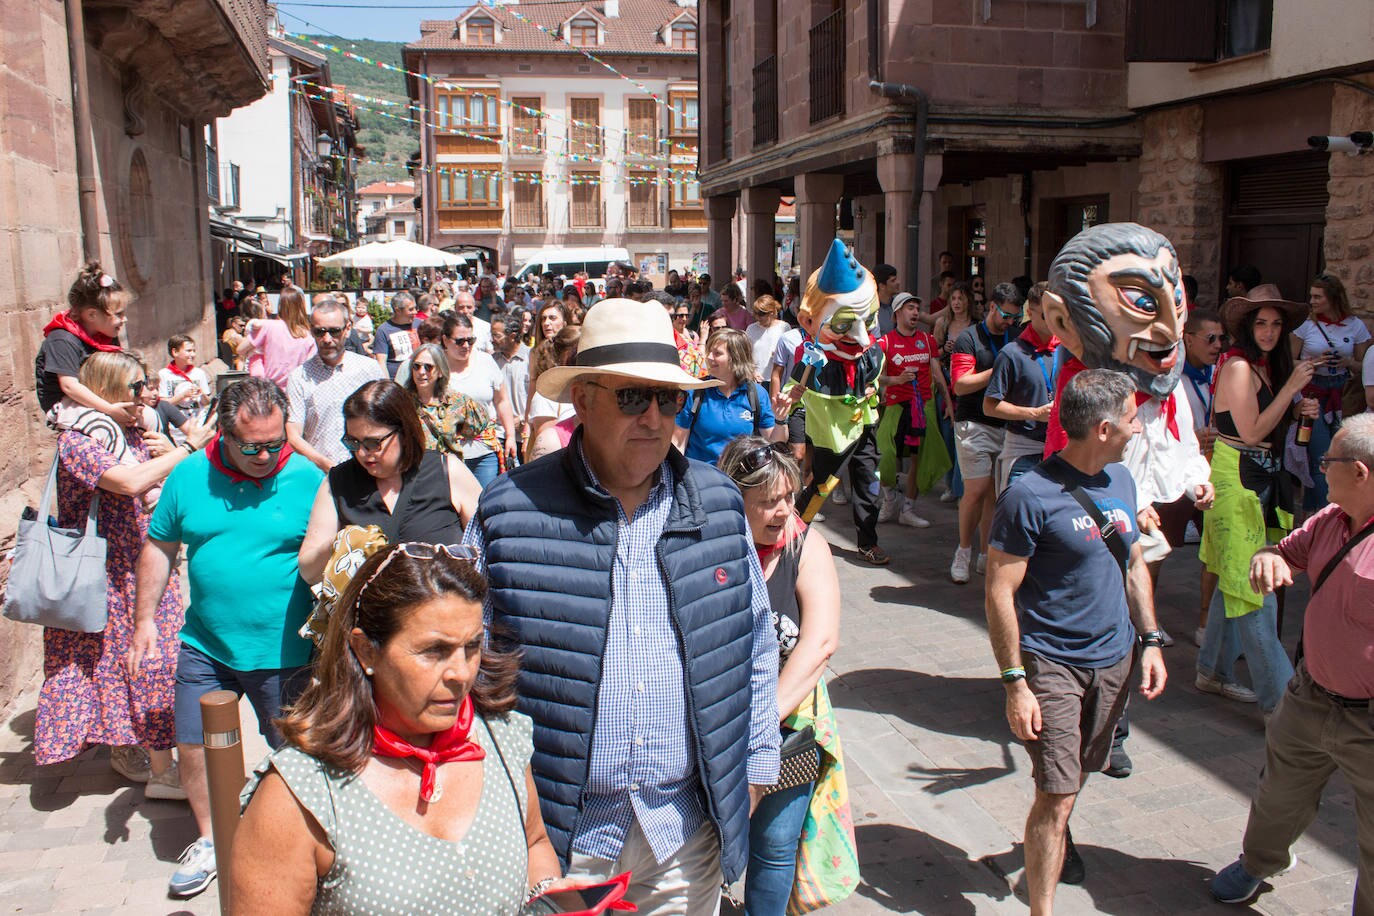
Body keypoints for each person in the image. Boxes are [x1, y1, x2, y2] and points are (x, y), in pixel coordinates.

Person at [464, 297, 781, 913]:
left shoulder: (717, 504)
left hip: (686, 835)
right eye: (634, 397)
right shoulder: (508, 511)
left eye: (670, 399)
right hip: (559, 839)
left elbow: (755, 643)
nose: (655, 418)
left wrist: (755, 769)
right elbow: (465, 667)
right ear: (582, 399)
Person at [234, 544, 564, 913]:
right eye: (434, 651)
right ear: (365, 651)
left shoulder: (502, 740)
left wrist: (551, 900)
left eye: (471, 647)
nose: (461, 673)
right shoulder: (301, 794)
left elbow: (535, 843)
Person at [130, 378, 323, 897]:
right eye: (252, 446)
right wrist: (144, 620)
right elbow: (159, 546)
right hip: (205, 644)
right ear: (224, 433)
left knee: (293, 750)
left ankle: (301, 841)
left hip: (284, 651)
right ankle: (215, 838)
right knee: (194, 744)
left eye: (276, 443)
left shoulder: (307, 478)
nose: (266, 456)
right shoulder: (189, 475)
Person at [985, 369, 1167, 916]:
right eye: (1132, 419)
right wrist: (1016, 683)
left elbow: (1133, 563)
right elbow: (998, 593)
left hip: (1114, 662)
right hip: (1052, 664)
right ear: (1106, 428)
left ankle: (1058, 839)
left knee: (1077, 779)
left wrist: (1152, 641)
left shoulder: (1122, 482)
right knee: (1057, 795)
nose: (1139, 429)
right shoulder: (1028, 495)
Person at [1209, 413, 1374, 911]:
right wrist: (1269, 556)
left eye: (1330, 462)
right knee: (1278, 796)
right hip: (1310, 698)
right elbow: (1283, 550)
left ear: (1361, 472)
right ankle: (1259, 862)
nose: (1321, 469)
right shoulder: (1330, 520)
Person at [36, 352, 212, 797]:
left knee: (147, 665)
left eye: (148, 384)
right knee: (139, 665)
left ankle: (149, 758)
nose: (148, 393)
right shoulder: (79, 441)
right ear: (111, 388)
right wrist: (186, 451)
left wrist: (174, 453)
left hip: (147, 565)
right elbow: (128, 483)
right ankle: (158, 767)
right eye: (137, 387)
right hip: (106, 576)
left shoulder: (133, 431)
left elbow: (164, 485)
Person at [718, 437, 855, 916]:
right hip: (712, 731)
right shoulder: (707, 548)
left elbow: (820, 644)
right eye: (767, 502)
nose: (783, 512)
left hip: (788, 728)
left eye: (789, 498)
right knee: (702, 851)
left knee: (775, 851)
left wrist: (763, 722)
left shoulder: (807, 547)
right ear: (733, 499)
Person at [1197, 285, 1317, 714]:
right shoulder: (1239, 367)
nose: (1268, 331)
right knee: (1254, 588)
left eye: (1276, 323)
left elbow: (1264, 426)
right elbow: (1249, 432)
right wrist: (1291, 392)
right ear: (1248, 326)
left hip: (1262, 480)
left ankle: (1212, 670)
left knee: (1237, 579)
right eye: (1260, 322)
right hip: (1236, 482)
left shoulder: (1266, 367)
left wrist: (1296, 409)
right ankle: (1282, 708)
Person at [298, 379, 482, 585]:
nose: (361, 453)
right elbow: (308, 571)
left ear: (404, 432)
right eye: (353, 442)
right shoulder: (338, 482)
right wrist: (343, 542)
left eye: (373, 443)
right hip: (369, 616)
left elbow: (485, 549)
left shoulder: (447, 471)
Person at [780, 240, 889, 566]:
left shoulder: (872, 352)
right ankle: (794, 535)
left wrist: (873, 391)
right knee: (820, 489)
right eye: (843, 325)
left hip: (864, 428)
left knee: (869, 485)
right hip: (832, 435)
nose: (859, 336)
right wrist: (790, 398)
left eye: (867, 321)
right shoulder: (814, 358)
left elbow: (874, 377)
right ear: (808, 321)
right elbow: (795, 385)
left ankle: (867, 542)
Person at [948, 282, 1021, 584]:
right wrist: (999, 369)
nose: (1009, 322)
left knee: (995, 495)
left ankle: (984, 554)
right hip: (973, 423)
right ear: (992, 307)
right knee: (976, 491)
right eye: (1006, 315)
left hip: (1005, 424)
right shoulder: (969, 338)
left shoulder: (1014, 336)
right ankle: (963, 551)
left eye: (1015, 318)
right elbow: (960, 384)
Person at [1291, 272, 1371, 512]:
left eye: (1318, 297)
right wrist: (1314, 362)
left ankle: (1341, 510)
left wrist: (1346, 363)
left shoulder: (1355, 325)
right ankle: (1317, 514)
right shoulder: (1306, 326)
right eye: (1311, 296)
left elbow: (1363, 364)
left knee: (1342, 457)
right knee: (1320, 455)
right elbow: (1288, 361)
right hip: (1312, 393)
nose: (1312, 301)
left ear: (1333, 298)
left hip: (1342, 393)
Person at [286, 296, 388, 472]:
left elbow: (386, 420)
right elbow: (293, 436)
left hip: (366, 471)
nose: (327, 339)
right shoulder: (299, 377)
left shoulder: (369, 369)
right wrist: (327, 466)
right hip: (319, 475)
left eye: (334, 331)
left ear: (348, 329)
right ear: (312, 331)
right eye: (320, 332)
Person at [876, 292, 951, 528]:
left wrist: (948, 402)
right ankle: (889, 496)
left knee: (920, 458)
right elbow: (876, 379)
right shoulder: (885, 342)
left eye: (917, 308)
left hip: (923, 406)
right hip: (895, 407)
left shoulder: (927, 341)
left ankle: (908, 509)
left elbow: (937, 374)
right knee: (884, 455)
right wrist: (897, 381)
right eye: (910, 308)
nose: (916, 313)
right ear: (898, 312)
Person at [35, 261, 135, 422]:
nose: (124, 319)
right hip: (66, 406)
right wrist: (109, 409)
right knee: (104, 426)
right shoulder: (62, 339)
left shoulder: (107, 335)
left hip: (96, 396)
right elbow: (69, 386)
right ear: (91, 315)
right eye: (118, 314)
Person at [1180, 308, 1227, 644]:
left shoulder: (1221, 373)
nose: (1217, 345)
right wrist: (1192, 438)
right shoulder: (1172, 378)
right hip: (1181, 468)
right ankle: (1144, 619)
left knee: (1213, 549)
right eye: (1210, 339)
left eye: (1221, 339)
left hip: (1215, 468)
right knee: (1160, 548)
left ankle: (1205, 621)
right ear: (1189, 339)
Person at [984, 282, 1057, 494]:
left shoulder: (1068, 350)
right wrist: (1035, 413)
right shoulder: (1011, 354)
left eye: (1058, 314)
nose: (1053, 321)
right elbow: (990, 407)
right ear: (1030, 312)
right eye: (1046, 315)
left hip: (1061, 452)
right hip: (1023, 451)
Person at [673, 328, 778, 465]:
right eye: (709, 351)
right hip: (700, 479)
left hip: (740, 482)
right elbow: (677, 444)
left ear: (736, 358)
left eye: (717, 353)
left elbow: (773, 444)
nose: (709, 357)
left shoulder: (756, 394)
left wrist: (781, 419)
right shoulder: (695, 391)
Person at [442, 314, 519, 486]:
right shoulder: (436, 367)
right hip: (449, 452)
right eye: (460, 341)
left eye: (471, 340)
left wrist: (510, 436)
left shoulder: (485, 362)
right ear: (446, 340)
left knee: (484, 501)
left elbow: (502, 400)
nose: (466, 346)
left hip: (485, 452)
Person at [244, 287, 317, 389]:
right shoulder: (308, 337)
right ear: (301, 307)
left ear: (280, 305)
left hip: (270, 391)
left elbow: (241, 349)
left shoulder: (268, 327)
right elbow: (310, 368)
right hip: (296, 391)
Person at [492, 313, 531, 454]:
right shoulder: (492, 361)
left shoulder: (531, 358)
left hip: (526, 437)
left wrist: (522, 421)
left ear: (513, 335)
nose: (492, 340)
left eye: (496, 335)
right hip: (498, 435)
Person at [373, 292, 420, 379]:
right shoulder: (383, 330)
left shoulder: (419, 324)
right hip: (396, 380)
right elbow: (381, 362)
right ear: (398, 310)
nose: (415, 312)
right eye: (410, 309)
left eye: (415, 308)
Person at [157, 335, 211, 410]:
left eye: (194, 351)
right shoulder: (164, 374)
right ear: (175, 352)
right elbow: (163, 405)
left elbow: (207, 403)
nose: (193, 354)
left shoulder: (199, 373)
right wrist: (183, 395)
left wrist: (201, 394)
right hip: (175, 420)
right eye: (188, 351)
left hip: (198, 420)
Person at [745, 295, 788, 384]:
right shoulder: (751, 328)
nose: (757, 317)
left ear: (771, 313)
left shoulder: (784, 327)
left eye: (761, 314)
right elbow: (745, 354)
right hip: (755, 379)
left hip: (777, 379)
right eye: (755, 313)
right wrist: (752, 372)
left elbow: (790, 354)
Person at [872, 263, 900, 336]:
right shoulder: (871, 309)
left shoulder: (899, 305)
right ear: (882, 286)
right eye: (893, 281)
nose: (898, 283)